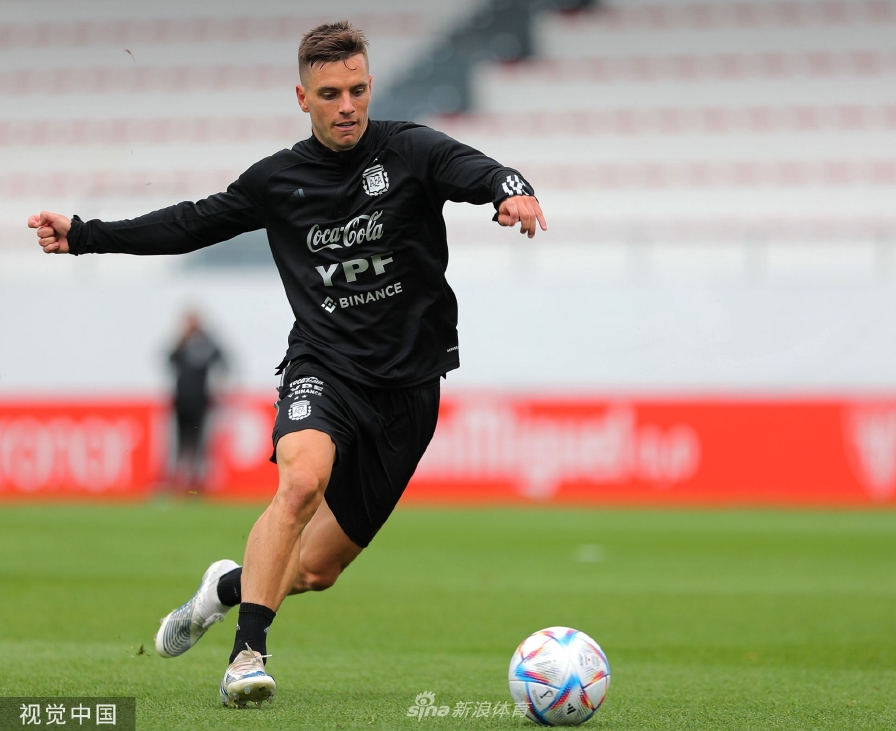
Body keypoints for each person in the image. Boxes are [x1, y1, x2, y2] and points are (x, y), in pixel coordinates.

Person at [27, 21, 546, 708]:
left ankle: (222, 589)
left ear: (369, 86)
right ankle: (248, 656)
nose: (347, 106)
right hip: (323, 366)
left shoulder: (412, 150)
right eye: (330, 94)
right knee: (300, 482)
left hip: (410, 390)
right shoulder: (278, 179)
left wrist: (513, 191)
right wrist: (87, 235)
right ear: (302, 98)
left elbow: (483, 171)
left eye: (357, 90)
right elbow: (191, 223)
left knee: (315, 571)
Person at [167, 310, 227, 493]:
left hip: (200, 402)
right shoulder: (182, 342)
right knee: (180, 443)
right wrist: (182, 338)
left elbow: (223, 363)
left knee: (200, 444)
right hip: (181, 401)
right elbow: (170, 360)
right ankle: (178, 483)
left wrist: (219, 390)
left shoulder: (207, 342)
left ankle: (196, 483)